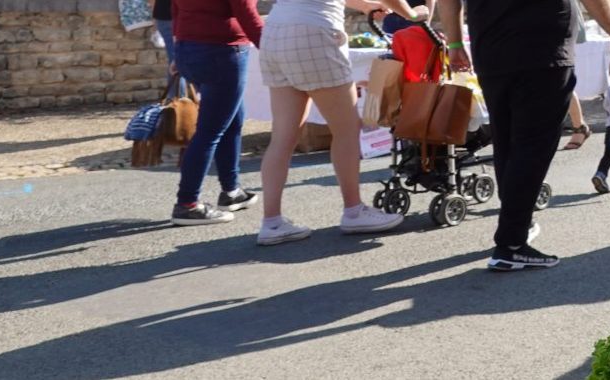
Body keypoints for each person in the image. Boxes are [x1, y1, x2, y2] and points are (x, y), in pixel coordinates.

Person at [438, 0, 610, 271]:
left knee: (508, 142)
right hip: (542, 48)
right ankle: (511, 242)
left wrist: (454, 43)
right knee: (532, 145)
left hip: (492, 48)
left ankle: (515, 226)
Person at [253, 0, 418, 245]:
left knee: (283, 136)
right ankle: (353, 211)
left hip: (276, 30)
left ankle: (272, 221)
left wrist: (364, 6)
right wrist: (412, 14)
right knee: (347, 129)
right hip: (314, 30)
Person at [168, 0, 264, 226]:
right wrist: (269, 48)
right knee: (210, 131)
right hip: (222, 48)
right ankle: (187, 204)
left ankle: (231, 190)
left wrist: (178, 46)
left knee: (232, 120)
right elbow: (245, 9)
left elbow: (175, 8)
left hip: (190, 46)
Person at [152, 0, 178, 89]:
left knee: (175, 58)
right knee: (177, 59)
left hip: (163, 16)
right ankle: (176, 97)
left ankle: (174, 96)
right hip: (180, 17)